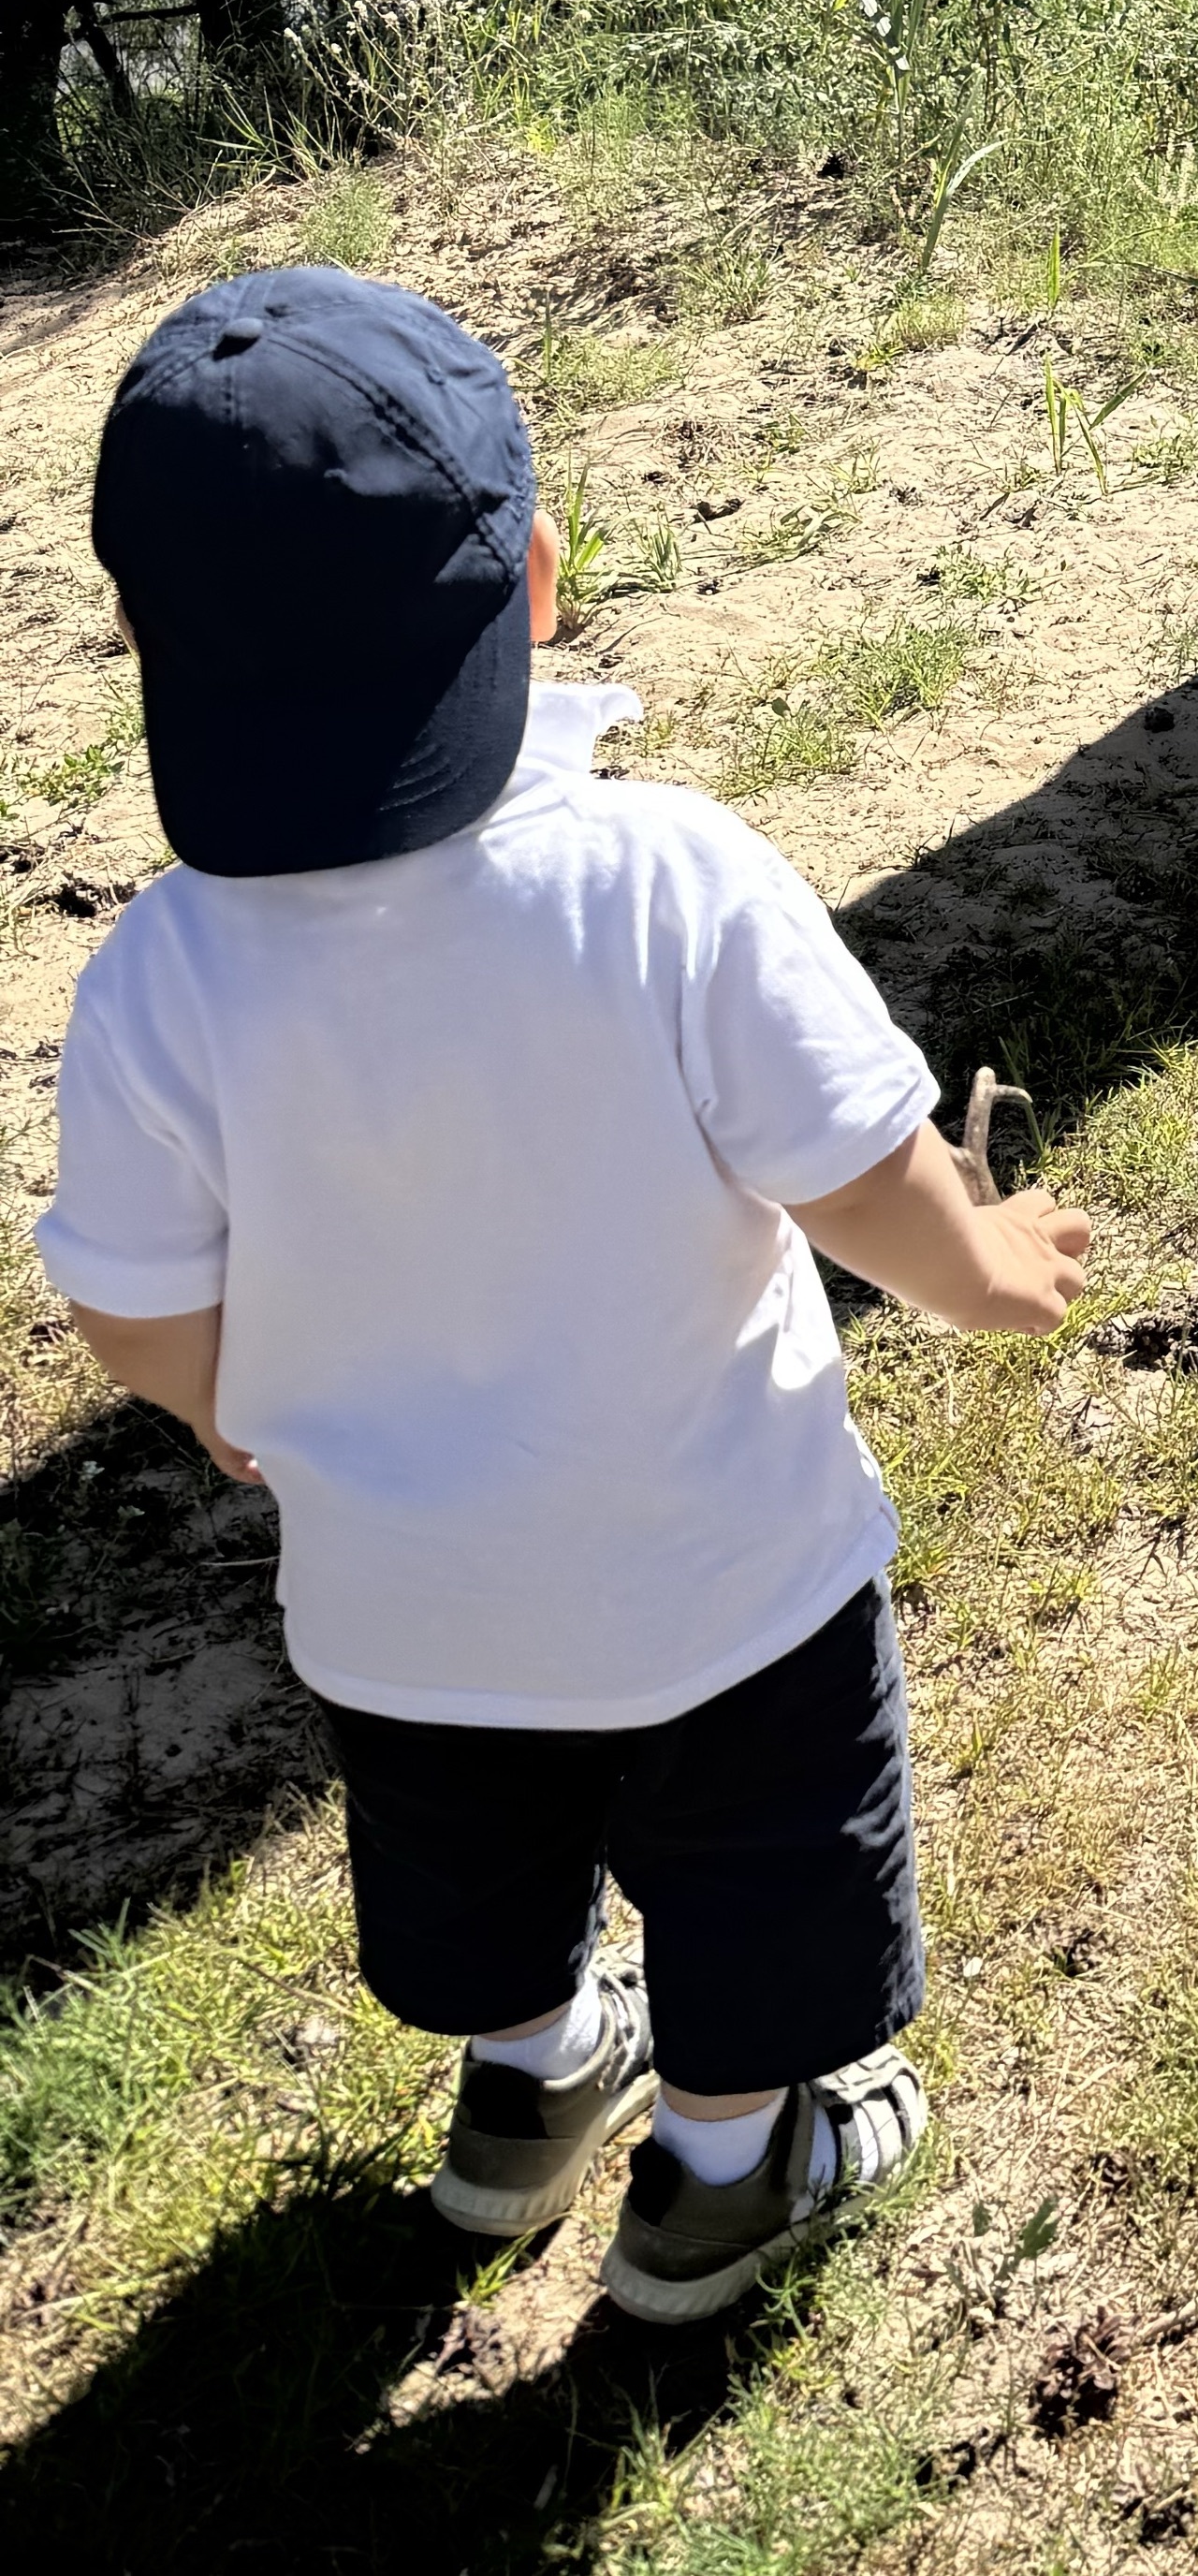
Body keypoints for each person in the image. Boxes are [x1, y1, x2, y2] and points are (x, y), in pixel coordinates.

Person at [29, 270, 1089, 2322]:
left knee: (478, 1877)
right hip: (725, 1589)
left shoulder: (158, 974)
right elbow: (858, 1169)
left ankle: (533, 2074)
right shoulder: (668, 879)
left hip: (402, 1614)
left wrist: (219, 1405)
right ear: (533, 576)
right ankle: (728, 2167)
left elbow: (133, 1311)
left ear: (148, 645)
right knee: (759, 1888)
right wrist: (986, 1269)